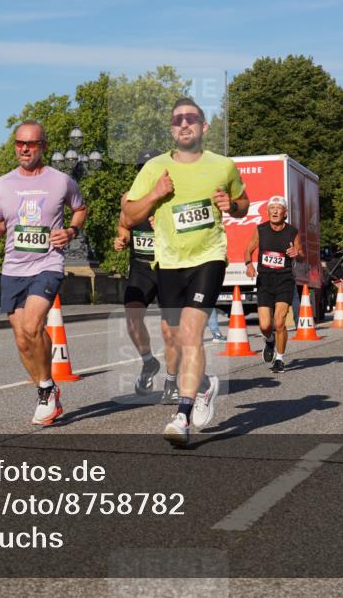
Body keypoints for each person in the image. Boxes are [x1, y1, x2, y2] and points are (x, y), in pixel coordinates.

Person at [122, 97, 248, 445]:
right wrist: (156, 195)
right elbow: (129, 216)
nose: (184, 124)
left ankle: (183, 414)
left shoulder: (223, 166)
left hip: (209, 257)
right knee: (176, 338)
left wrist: (232, 205)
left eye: (191, 118)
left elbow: (243, 204)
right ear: (171, 129)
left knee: (192, 334)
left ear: (204, 127)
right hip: (169, 262)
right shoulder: (154, 169)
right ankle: (205, 386)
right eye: (177, 120)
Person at [0, 121, 86, 425]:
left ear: (44, 147)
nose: (24, 149)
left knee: (33, 323)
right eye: (20, 143)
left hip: (47, 264)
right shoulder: (2, 184)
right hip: (12, 269)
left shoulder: (61, 181)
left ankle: (46, 394)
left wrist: (72, 230)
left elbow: (80, 208)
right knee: (23, 338)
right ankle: (47, 387)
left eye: (31, 144)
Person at [115, 149, 163, 398]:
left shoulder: (171, 196)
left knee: (172, 326)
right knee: (132, 319)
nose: (144, 172)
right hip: (141, 267)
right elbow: (124, 224)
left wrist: (166, 225)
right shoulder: (129, 198)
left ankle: (178, 378)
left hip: (168, 268)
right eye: (140, 168)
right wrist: (121, 240)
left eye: (148, 168)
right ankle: (148, 361)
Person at [244, 195, 303, 373]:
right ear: (268, 212)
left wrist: (296, 253)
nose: (275, 211)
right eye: (272, 208)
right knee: (265, 325)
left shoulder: (292, 232)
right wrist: (249, 265)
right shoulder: (260, 230)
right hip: (265, 280)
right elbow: (248, 250)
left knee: (279, 322)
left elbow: (301, 254)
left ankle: (279, 358)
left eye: (278, 208)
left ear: (285, 213)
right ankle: (269, 341)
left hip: (285, 279)